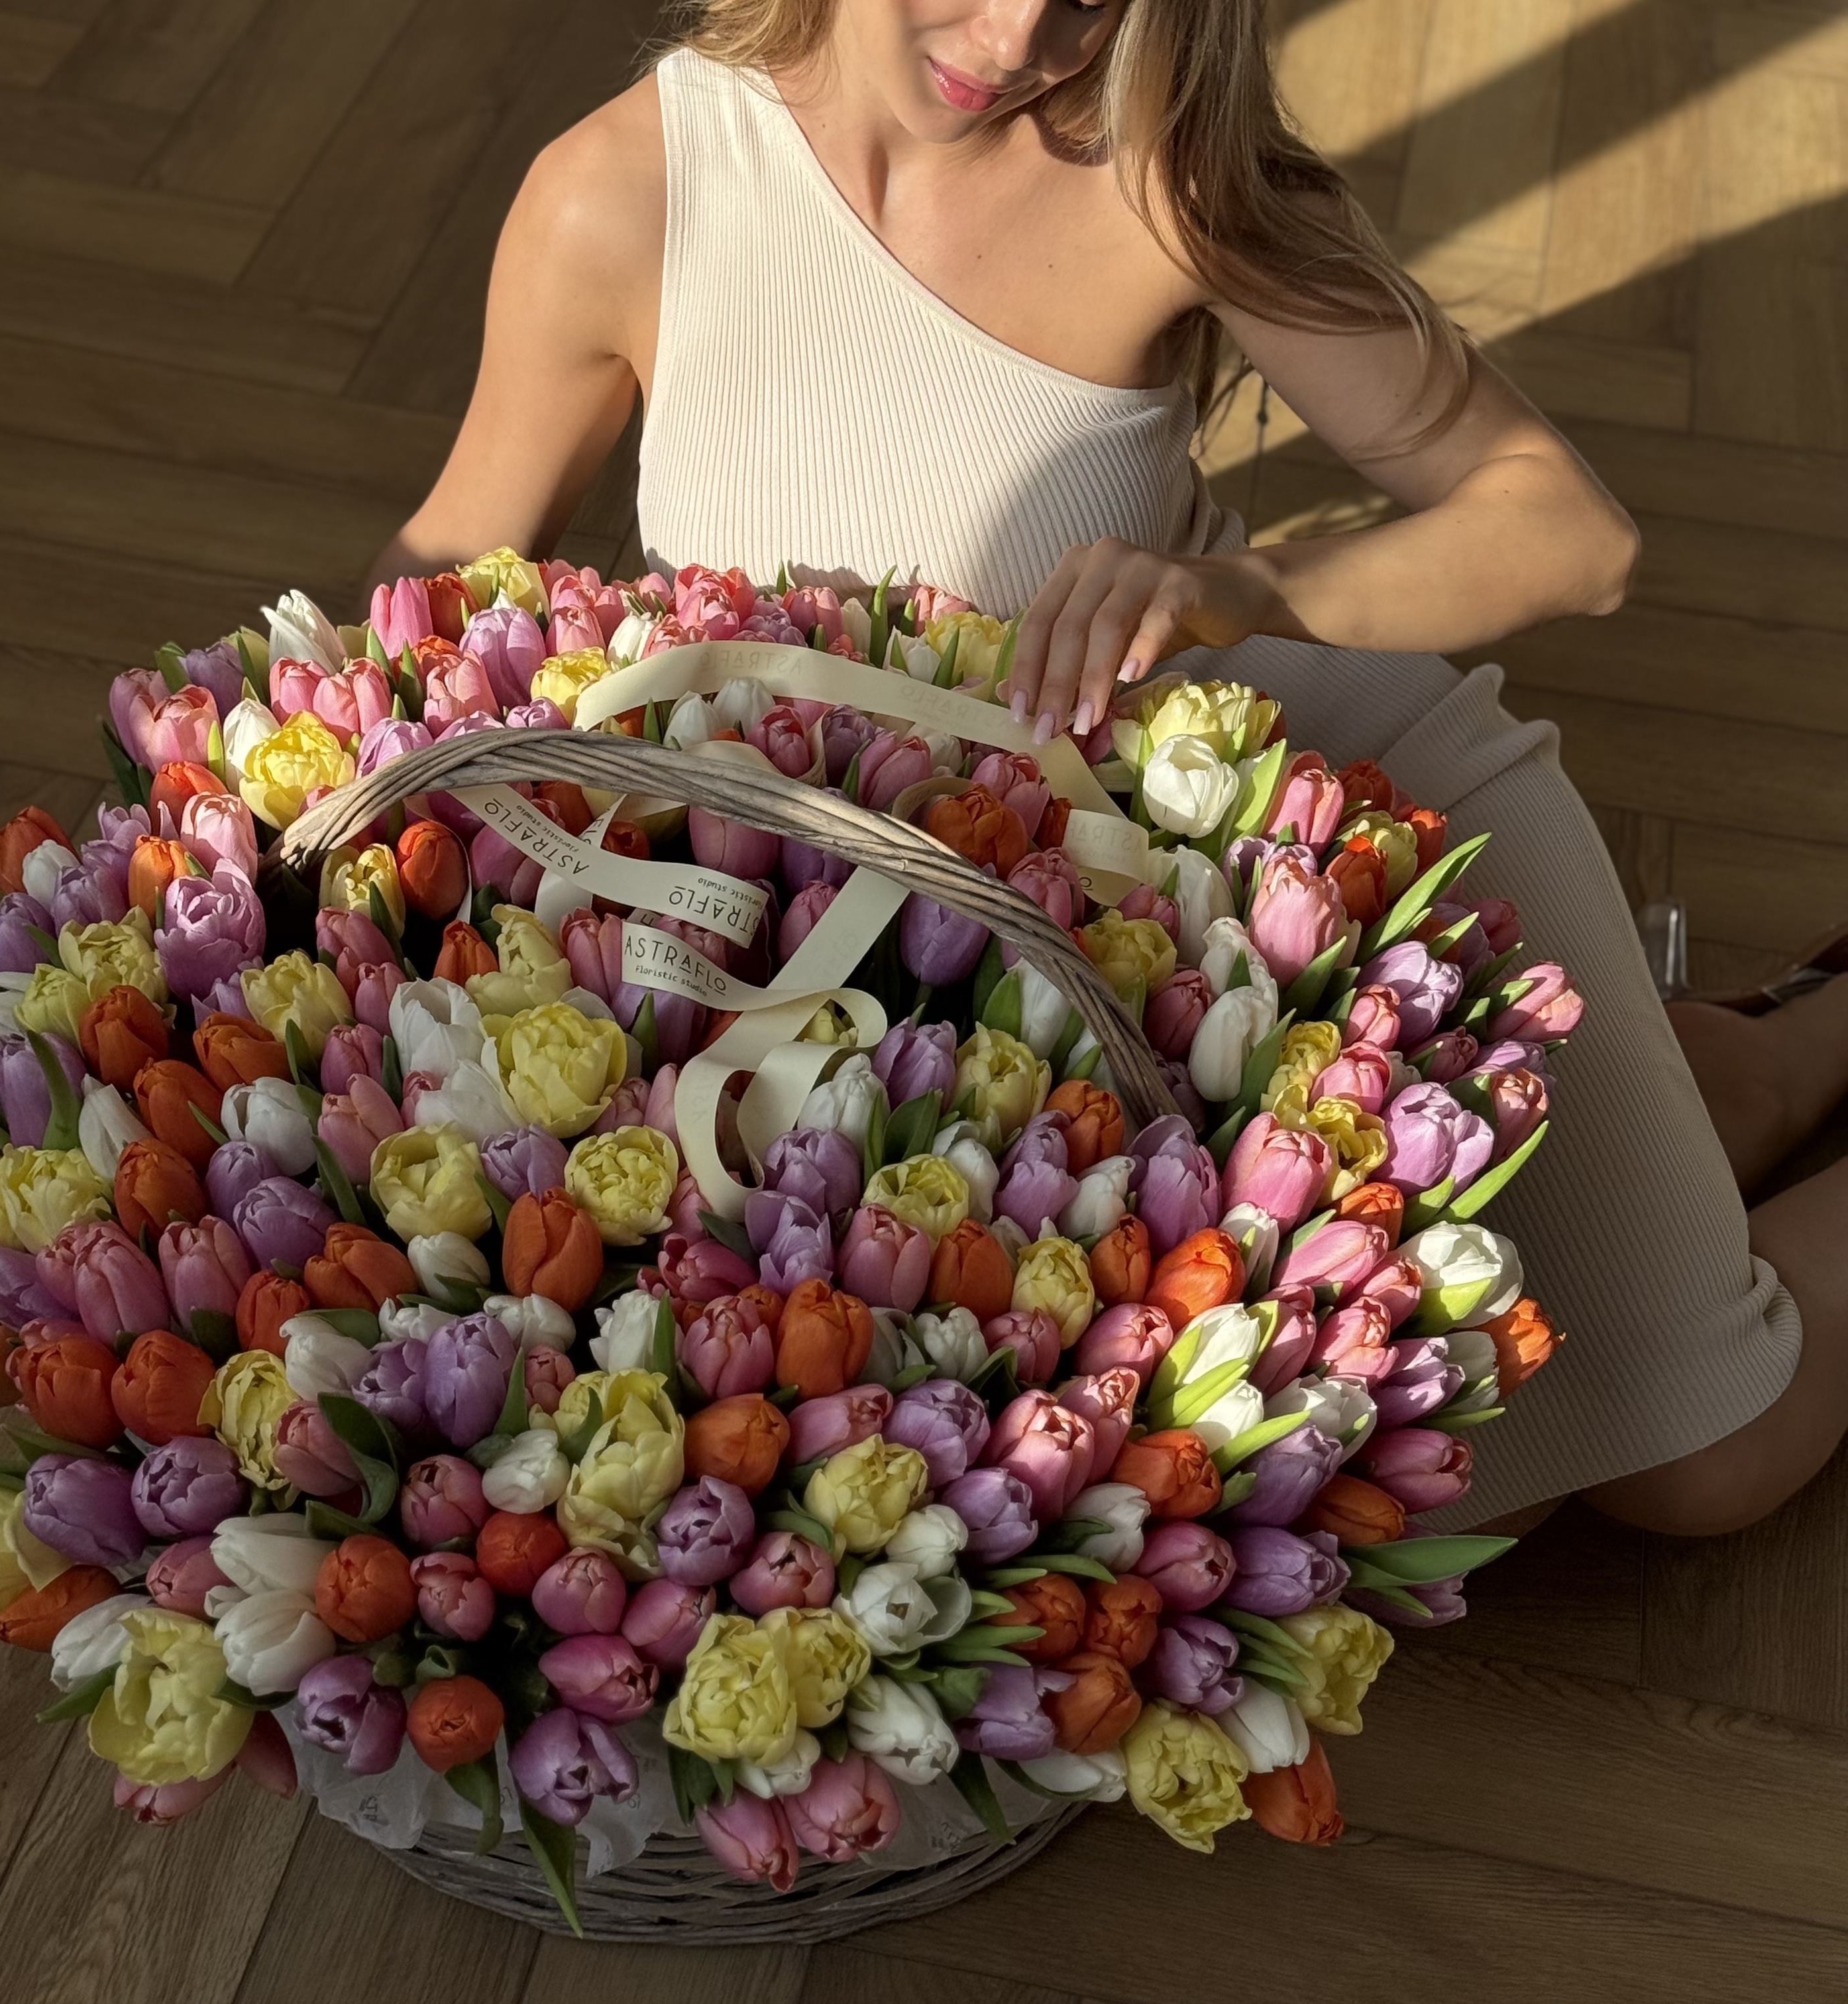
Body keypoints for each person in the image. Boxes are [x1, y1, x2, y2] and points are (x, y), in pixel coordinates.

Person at [367, 0, 1845, 1537]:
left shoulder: (1156, 171)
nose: (1016, 38)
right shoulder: (622, 194)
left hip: (1311, 847)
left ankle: (1754, 1063)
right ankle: (1743, 1066)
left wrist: (1245, 589)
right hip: (945, 964)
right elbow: (442, 596)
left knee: (1702, 1464)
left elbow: (1571, 532)